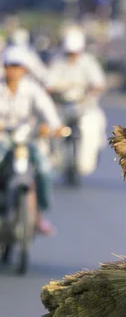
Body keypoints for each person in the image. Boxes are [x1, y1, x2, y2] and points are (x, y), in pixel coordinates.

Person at [0, 46, 62, 235]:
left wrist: (53, 126)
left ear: (24, 69)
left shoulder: (32, 90)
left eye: (18, 66)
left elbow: (48, 111)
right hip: (3, 139)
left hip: (27, 140)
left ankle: (39, 215)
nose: (13, 70)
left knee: (43, 170)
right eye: (10, 66)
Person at [47, 28, 107, 176]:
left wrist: (89, 92)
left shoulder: (88, 62)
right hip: (62, 105)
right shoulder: (57, 62)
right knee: (52, 128)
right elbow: (48, 83)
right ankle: (57, 160)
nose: (72, 56)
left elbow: (99, 84)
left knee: (91, 128)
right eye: (69, 52)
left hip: (84, 106)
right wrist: (60, 88)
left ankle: (85, 163)